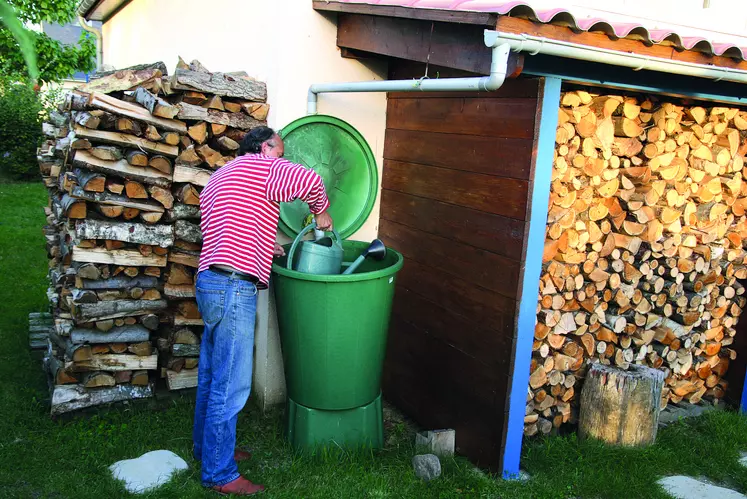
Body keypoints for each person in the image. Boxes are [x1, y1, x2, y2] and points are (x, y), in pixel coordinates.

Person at [193, 126, 333, 495]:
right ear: (265, 148)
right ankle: (220, 474)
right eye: (281, 152)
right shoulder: (265, 167)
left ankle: (207, 451)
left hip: (209, 280)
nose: (283, 159)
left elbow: (225, 228)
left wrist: (263, 245)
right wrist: (322, 213)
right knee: (231, 383)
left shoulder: (220, 175)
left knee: (211, 375)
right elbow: (312, 180)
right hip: (234, 286)